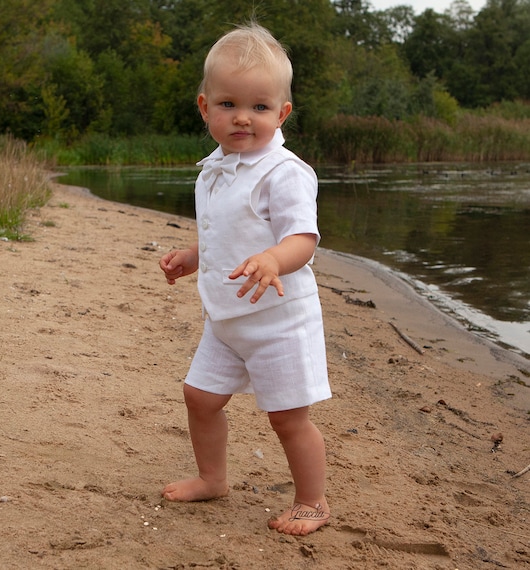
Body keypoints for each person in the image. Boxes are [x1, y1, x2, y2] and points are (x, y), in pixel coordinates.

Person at [159, 22, 331, 536]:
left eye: (259, 107)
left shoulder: (284, 172)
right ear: (204, 107)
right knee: (200, 398)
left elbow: (303, 238)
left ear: (282, 113)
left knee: (288, 418)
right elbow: (227, 231)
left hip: (279, 320)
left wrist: (275, 259)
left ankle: (313, 501)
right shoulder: (215, 167)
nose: (242, 118)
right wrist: (195, 255)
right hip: (226, 318)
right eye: (228, 104)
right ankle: (213, 477)